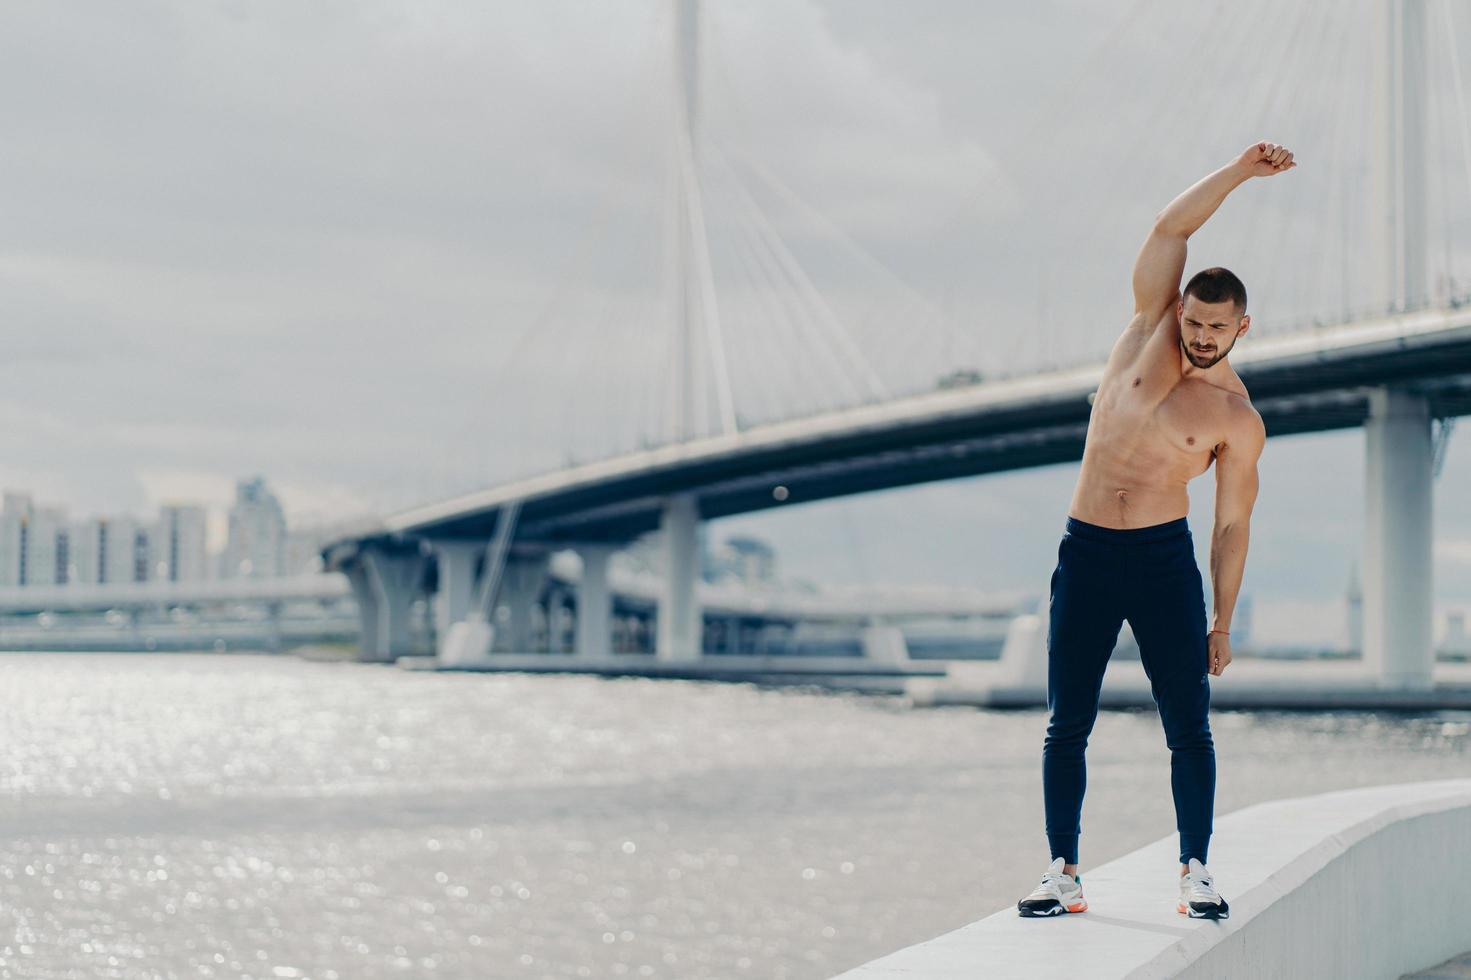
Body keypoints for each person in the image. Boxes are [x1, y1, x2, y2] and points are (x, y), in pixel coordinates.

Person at [1016, 141, 1296, 921]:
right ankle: (1062, 872)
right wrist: (1241, 172)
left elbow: (1232, 522)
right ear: (1181, 309)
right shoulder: (1145, 331)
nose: (1203, 336)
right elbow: (1169, 227)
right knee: (1065, 720)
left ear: (1244, 326)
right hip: (1087, 550)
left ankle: (1195, 870)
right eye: (1196, 321)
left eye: (1218, 328)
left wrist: (1223, 617)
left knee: (1187, 726)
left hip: (1162, 561)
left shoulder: (1236, 419)